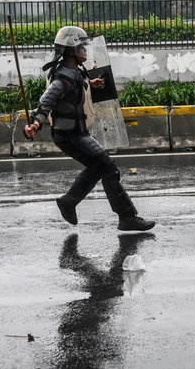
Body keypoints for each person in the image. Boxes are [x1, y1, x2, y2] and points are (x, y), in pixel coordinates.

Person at [24, 26, 155, 232]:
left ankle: (70, 202)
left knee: (99, 168)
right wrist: (35, 122)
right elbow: (46, 102)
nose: (85, 50)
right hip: (70, 135)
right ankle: (126, 217)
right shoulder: (63, 78)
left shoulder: (74, 72)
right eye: (81, 47)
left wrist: (90, 83)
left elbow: (76, 85)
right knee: (107, 167)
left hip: (74, 133)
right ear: (71, 51)